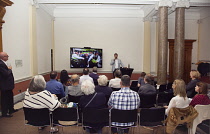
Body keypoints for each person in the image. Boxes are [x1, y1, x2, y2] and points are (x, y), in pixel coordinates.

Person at [0, 52, 18, 117]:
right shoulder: (1, 64)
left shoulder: (4, 63)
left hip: (8, 85)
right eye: (7, 56)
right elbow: (5, 74)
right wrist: (9, 69)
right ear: (3, 57)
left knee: (10, 97)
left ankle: (11, 109)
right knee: (5, 99)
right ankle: (5, 112)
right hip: (4, 85)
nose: (8, 57)